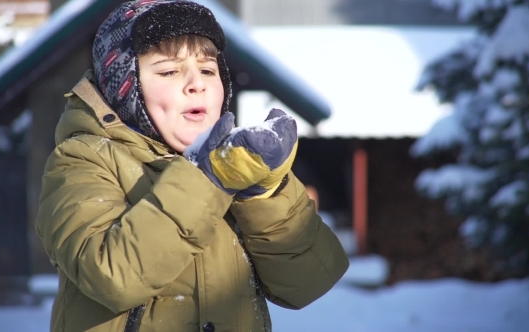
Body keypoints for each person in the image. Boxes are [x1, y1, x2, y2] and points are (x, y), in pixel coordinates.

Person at [35, 1, 349, 331]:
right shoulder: (81, 159)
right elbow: (111, 275)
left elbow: (309, 282)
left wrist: (265, 195)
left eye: (208, 70)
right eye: (169, 71)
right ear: (124, 87)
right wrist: (208, 180)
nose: (196, 83)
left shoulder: (231, 167)